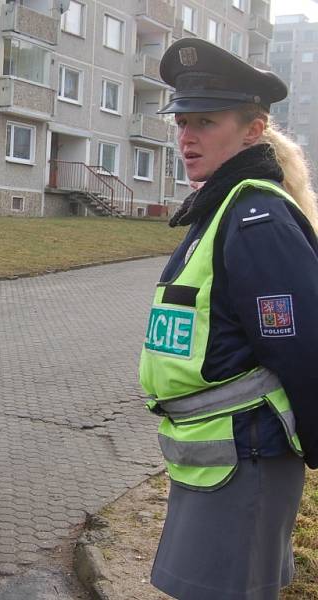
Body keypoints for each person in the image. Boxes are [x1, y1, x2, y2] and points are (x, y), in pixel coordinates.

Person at [138, 38, 318, 600]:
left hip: (249, 458)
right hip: (217, 457)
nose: (186, 138)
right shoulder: (221, 207)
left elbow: (303, 348)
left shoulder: (255, 218)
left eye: (205, 123)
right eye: (181, 122)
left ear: (253, 129)